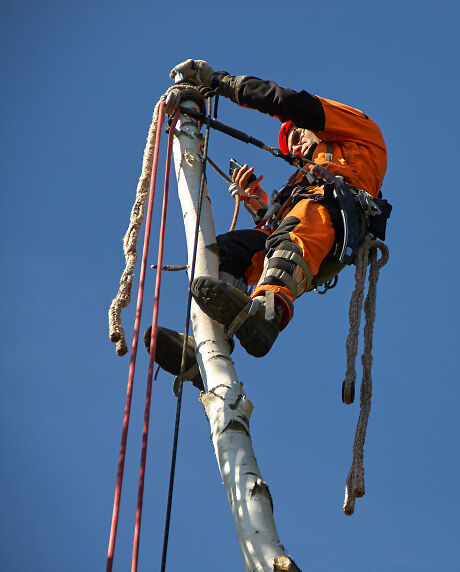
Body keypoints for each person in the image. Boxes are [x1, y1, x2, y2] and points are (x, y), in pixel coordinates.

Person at [147, 59, 388, 389]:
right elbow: (272, 233)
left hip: (328, 215)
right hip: (303, 224)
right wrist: (257, 202)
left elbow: (289, 102)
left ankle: (267, 314)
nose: (296, 148)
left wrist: (220, 82)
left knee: (296, 229)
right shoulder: (303, 180)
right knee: (227, 251)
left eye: (298, 136)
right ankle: (207, 343)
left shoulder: (359, 133)